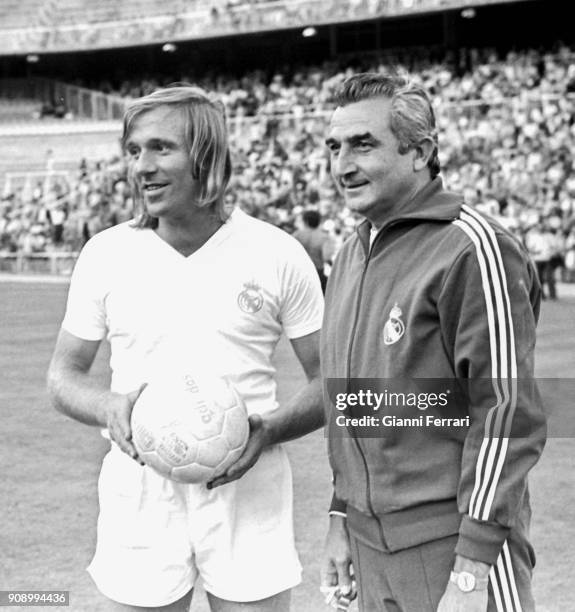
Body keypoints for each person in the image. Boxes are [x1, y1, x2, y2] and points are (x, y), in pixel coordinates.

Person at [47, 85, 325, 612]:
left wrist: (269, 431)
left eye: (160, 148)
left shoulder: (277, 253)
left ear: (207, 155)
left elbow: (334, 382)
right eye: (133, 151)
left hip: (250, 488)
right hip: (140, 490)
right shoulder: (106, 254)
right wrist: (109, 405)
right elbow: (63, 376)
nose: (141, 167)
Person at [320, 73, 546, 612]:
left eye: (363, 144)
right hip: (371, 547)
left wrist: (471, 567)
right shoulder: (352, 253)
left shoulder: (471, 247)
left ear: (420, 151)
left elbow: (506, 411)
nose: (342, 165)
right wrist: (340, 515)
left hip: (457, 548)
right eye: (334, 147)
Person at [292, 209, 334, 293]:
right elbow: (326, 257)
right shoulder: (324, 237)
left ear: (306, 221)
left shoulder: (297, 235)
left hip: (299, 271)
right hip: (317, 272)